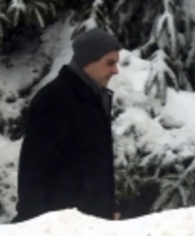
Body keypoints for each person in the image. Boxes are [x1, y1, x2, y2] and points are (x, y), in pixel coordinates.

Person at [14, 28, 123, 222]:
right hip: (62, 224)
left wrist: (108, 205)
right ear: (89, 61)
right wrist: (31, 220)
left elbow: (95, 162)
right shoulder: (55, 98)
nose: (115, 70)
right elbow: (33, 164)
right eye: (110, 63)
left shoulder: (94, 97)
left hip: (90, 221)